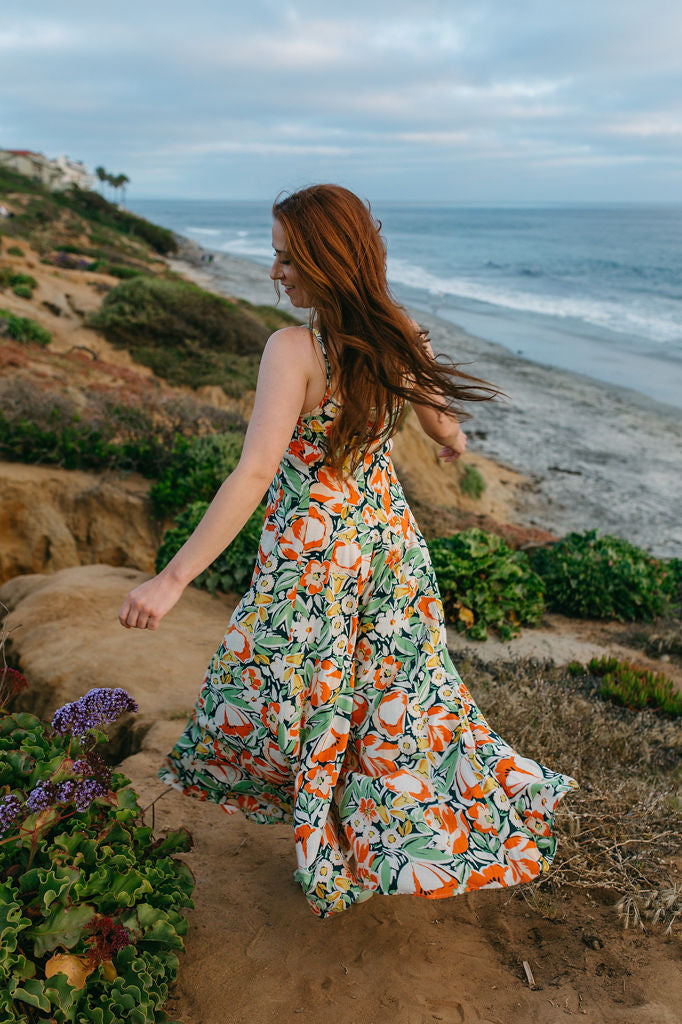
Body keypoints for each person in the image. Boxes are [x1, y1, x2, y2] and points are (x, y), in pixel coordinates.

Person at [118, 184, 577, 918]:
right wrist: (455, 443)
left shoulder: (293, 350)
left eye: (286, 258)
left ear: (328, 260)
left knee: (300, 697)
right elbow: (445, 432)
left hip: (313, 558)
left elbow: (257, 471)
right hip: (389, 546)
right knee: (395, 701)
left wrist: (174, 579)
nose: (276, 274)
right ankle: (399, 842)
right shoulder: (402, 335)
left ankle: (337, 848)